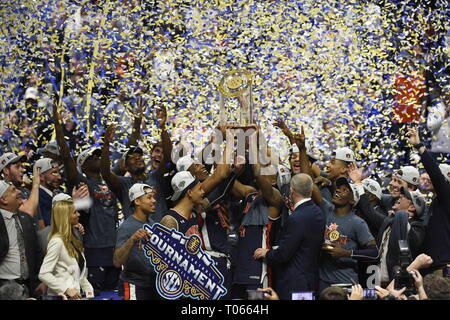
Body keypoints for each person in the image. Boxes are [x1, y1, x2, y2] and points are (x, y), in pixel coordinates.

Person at [53, 101, 120, 292]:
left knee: (114, 293)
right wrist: (57, 125)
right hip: (94, 248)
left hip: (113, 247)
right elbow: (66, 156)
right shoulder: (81, 182)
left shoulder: (109, 180)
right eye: (93, 157)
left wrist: (107, 144)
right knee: (95, 292)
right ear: (83, 165)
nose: (98, 158)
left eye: (99, 156)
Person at [350, 163, 426, 285]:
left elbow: (370, 212)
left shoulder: (417, 226)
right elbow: (373, 201)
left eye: (398, 182)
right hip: (375, 275)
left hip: (395, 279)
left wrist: (399, 216)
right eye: (393, 180)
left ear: (412, 207)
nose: (399, 196)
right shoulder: (389, 215)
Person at [252, 173, 325, 300]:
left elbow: (283, 254)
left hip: (293, 283)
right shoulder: (318, 212)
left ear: (292, 191)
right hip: (310, 280)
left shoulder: (297, 217)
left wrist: (267, 253)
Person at [317, 176, 378, 291]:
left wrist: (346, 253)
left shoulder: (358, 223)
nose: (338, 190)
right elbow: (310, 185)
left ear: (352, 200)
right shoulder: (327, 209)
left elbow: (374, 253)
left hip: (345, 283)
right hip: (323, 282)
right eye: (338, 188)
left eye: (345, 190)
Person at [407, 127, 450, 270]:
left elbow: (436, 175)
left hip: (443, 264)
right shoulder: (436, 201)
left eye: (435, 177)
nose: (430, 179)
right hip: (432, 263)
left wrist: (419, 146)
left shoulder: (447, 196)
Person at [38, 200, 94, 299]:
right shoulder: (57, 241)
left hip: (76, 296)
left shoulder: (74, 239)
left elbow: (78, 273)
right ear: (65, 216)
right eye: (75, 212)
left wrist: (88, 289)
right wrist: (65, 289)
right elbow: (44, 274)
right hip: (61, 296)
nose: (78, 214)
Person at [113, 183, 160, 300]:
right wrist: (132, 240)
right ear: (137, 201)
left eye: (153, 197)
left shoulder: (153, 224)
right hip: (135, 284)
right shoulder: (126, 227)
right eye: (149, 197)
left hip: (154, 285)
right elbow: (117, 262)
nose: (154, 201)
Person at [0, 180, 44, 297]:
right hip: (4, 289)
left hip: (29, 286)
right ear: (3, 199)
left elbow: (37, 251)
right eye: (13, 190)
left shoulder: (26, 219)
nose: (20, 191)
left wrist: (41, 279)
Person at [0, 152, 41, 226]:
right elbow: (29, 212)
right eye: (17, 167)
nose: (22, 170)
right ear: (6, 170)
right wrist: (35, 185)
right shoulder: (3, 194)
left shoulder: (27, 191)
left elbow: (40, 222)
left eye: (22, 166)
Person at [35, 157, 62, 227]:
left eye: (58, 172)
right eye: (54, 173)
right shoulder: (36, 198)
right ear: (41, 176)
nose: (59, 177)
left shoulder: (59, 193)